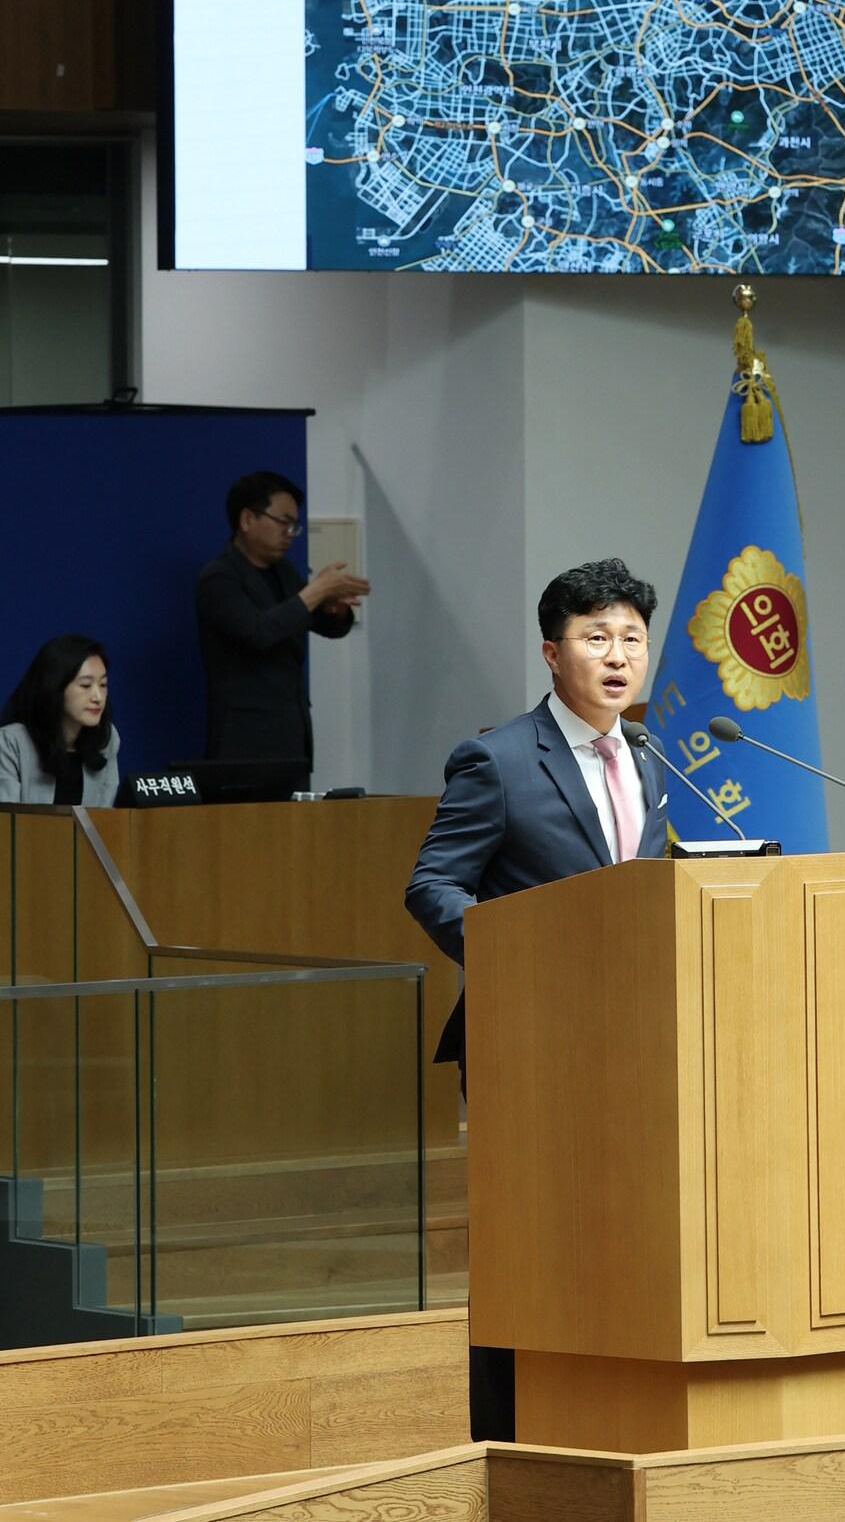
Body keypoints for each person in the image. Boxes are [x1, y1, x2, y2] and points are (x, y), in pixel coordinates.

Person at [404, 556, 670, 1440]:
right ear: (554, 653)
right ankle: (508, 1428)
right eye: (597, 637)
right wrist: (514, 959)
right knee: (533, 1241)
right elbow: (434, 885)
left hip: (638, 1039)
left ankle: (606, 1401)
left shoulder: (649, 754)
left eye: (632, 637)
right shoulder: (499, 758)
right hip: (530, 1039)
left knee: (624, 1226)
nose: (618, 654)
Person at [195, 470, 370, 772]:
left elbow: (323, 624)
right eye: (284, 523)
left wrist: (335, 609)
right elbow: (258, 632)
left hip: (291, 730)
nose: (290, 534)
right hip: (243, 737)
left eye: (295, 526)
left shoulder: (284, 572)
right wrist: (317, 590)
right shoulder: (219, 578)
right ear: (248, 520)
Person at [0, 634, 120, 805]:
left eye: (103, 685)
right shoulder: (10, 742)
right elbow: (6, 822)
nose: (98, 697)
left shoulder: (106, 738)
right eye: (86, 685)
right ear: (54, 687)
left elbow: (108, 818)